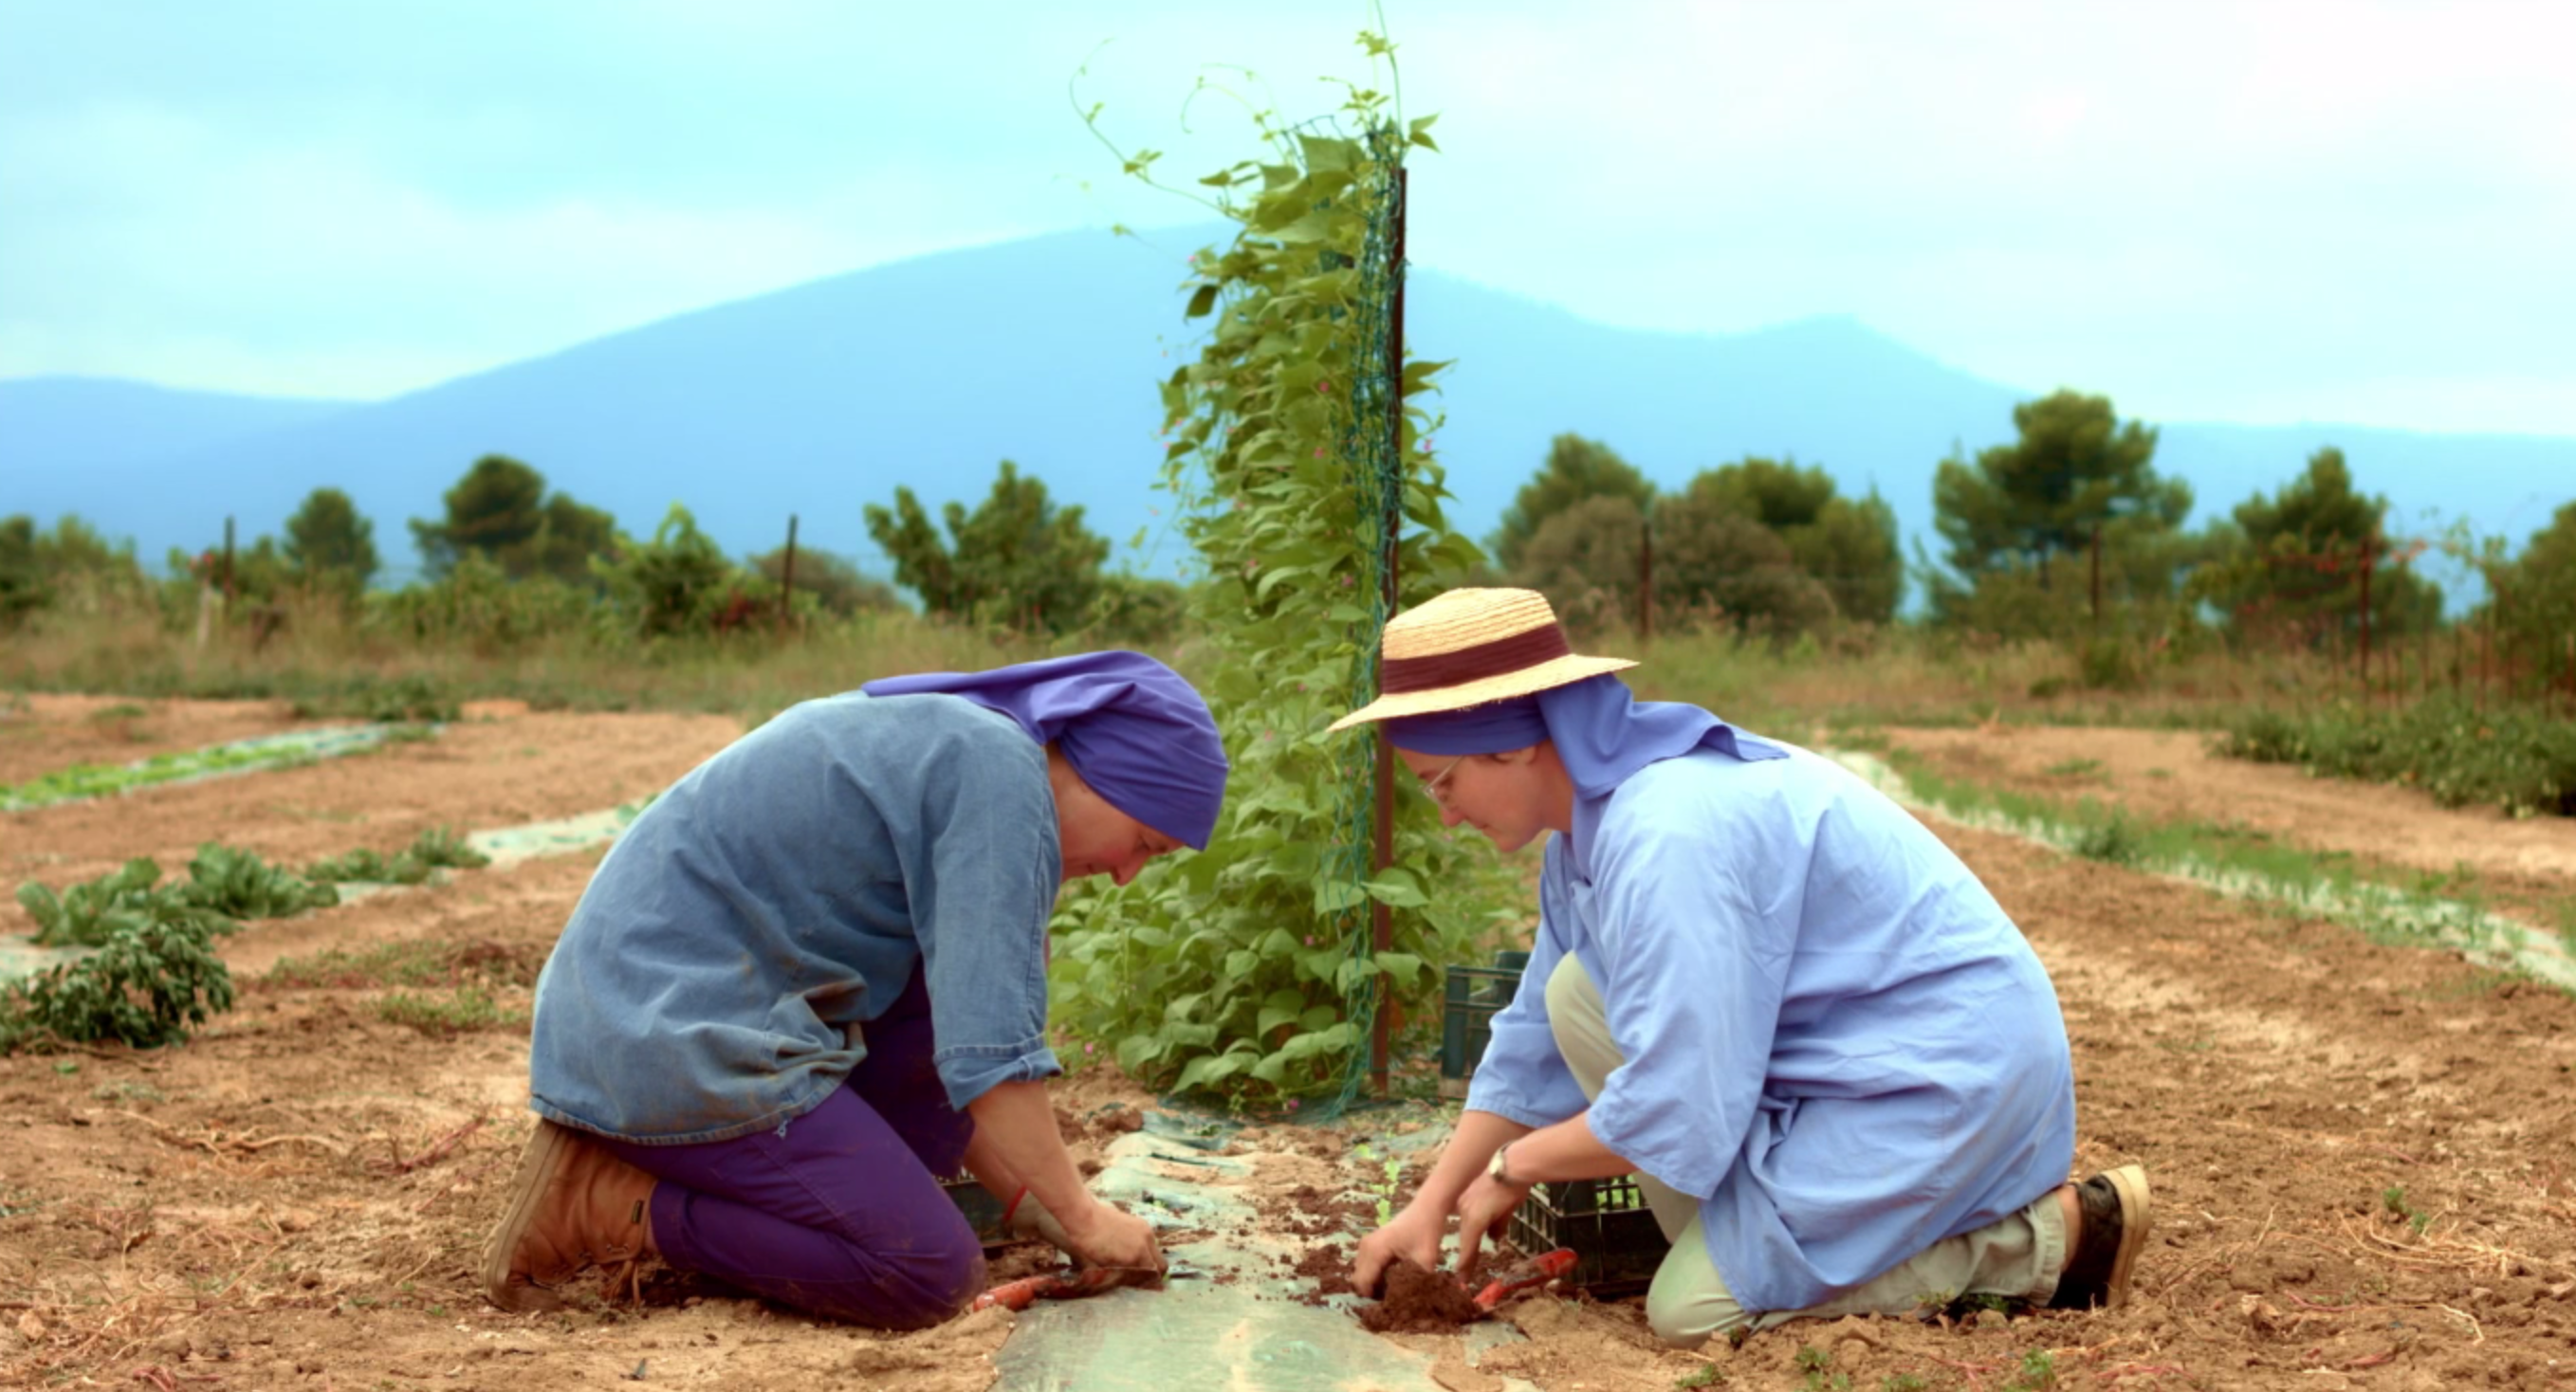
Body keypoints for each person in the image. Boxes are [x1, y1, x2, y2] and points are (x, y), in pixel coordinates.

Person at [1337, 589, 2149, 1347]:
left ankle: (2045, 1240)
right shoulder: (1585, 833)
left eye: (1442, 782)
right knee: (1573, 994)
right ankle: (1768, 1242)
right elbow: (1531, 1049)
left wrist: (1516, 1167)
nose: (1443, 815)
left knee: (1692, 1309)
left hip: (1939, 1074)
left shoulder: (1665, 834)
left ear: (1512, 746)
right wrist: (1431, 1204)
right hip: (1844, 1066)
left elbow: (1680, 1101)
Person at [481, 650, 1228, 1326]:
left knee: (940, 994)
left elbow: (953, 1034)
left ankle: (735, 1170)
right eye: (1144, 843)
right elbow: (990, 1057)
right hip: (671, 1036)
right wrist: (1086, 1216)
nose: (1129, 873)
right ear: (1105, 773)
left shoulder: (973, 750)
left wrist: (1032, 1207)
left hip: (633, 1014)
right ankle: (614, 1203)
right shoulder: (1003, 785)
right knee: (926, 1269)